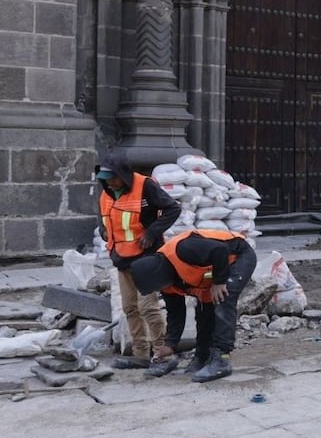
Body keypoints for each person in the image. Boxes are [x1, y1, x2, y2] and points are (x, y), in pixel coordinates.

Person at [130, 228, 255, 382]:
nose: (157, 291)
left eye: (155, 287)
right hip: (214, 269)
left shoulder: (183, 249)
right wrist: (170, 344)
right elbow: (176, 313)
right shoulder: (167, 282)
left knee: (223, 297)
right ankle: (202, 357)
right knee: (203, 308)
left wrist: (219, 281)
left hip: (238, 256)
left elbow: (220, 250)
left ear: (157, 276)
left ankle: (222, 359)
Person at [96, 152, 180, 370]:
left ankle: (162, 353)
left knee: (148, 307)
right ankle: (140, 354)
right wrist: (104, 232)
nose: (110, 182)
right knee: (130, 308)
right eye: (106, 179)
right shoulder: (106, 193)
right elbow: (104, 218)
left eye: (113, 178)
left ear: (123, 174)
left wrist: (152, 232)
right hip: (121, 258)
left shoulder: (145, 187)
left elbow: (173, 208)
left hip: (145, 258)